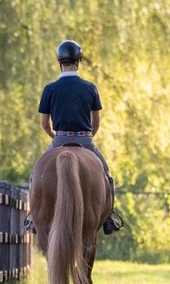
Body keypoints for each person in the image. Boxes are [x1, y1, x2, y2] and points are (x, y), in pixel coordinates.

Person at [26, 40, 125, 235]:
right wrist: (87, 138)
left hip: (59, 139)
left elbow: (44, 124)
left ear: (59, 62)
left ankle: (32, 217)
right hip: (86, 140)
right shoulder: (90, 88)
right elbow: (96, 123)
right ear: (78, 61)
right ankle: (109, 217)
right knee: (106, 174)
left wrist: (55, 137)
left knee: (35, 175)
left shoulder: (50, 89)